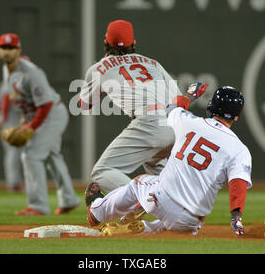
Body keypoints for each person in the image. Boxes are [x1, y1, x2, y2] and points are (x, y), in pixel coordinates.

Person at [85, 86, 252, 237]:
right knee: (171, 226)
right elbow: (238, 184)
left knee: (138, 183)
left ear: (212, 105)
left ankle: (96, 211)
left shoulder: (189, 122)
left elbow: (172, 108)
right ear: (237, 116)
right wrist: (236, 217)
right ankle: (143, 228)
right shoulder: (240, 149)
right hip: (191, 221)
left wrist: (190, 95)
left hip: (160, 198)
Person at [80, 19, 192, 193]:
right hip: (174, 123)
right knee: (154, 161)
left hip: (149, 122)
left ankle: (141, 197)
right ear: (133, 43)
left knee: (101, 172)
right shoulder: (152, 63)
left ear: (105, 42)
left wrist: (102, 87)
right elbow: (179, 99)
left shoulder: (98, 68)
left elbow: (85, 105)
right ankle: (175, 206)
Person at [0, 33, 80, 215]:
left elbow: (45, 105)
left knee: (31, 155)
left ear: (18, 50)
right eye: (4, 48)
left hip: (52, 115)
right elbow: (25, 102)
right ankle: (69, 199)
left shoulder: (32, 73)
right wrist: (25, 121)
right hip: (41, 115)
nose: (7, 52)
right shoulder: (7, 70)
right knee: (52, 156)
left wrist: (31, 127)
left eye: (11, 48)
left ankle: (38, 206)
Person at [0, 75, 24, 192]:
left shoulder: (4, 82)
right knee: (14, 153)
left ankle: (14, 182)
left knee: (12, 153)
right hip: (9, 123)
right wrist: (2, 119)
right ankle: (14, 183)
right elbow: (6, 99)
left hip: (7, 123)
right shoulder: (14, 82)